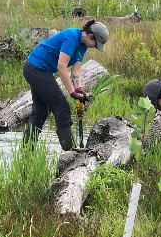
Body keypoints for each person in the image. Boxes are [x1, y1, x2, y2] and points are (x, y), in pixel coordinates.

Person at [21, 20, 110, 151]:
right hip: (35, 68)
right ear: (91, 36)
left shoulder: (83, 47)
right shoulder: (71, 36)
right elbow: (62, 66)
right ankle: (70, 151)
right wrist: (72, 92)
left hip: (40, 70)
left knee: (40, 112)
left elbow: (76, 71)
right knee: (62, 107)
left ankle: (27, 149)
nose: (95, 47)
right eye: (96, 44)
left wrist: (79, 88)